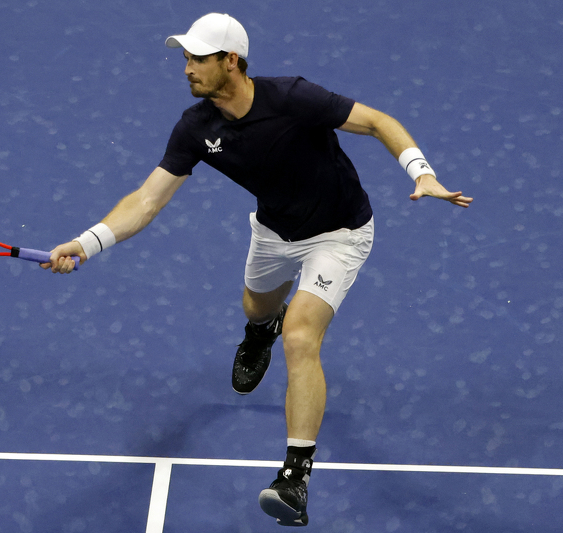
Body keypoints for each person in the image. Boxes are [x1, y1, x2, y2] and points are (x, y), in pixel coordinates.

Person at [42, 13, 472, 527]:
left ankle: (294, 479)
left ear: (232, 62)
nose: (187, 68)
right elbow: (147, 200)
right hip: (272, 233)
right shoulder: (196, 127)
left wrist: (421, 173)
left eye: (199, 58)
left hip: (339, 234)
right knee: (257, 307)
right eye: (185, 57)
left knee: (301, 335)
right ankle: (259, 329)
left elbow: (378, 121)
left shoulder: (293, 98)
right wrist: (87, 244)